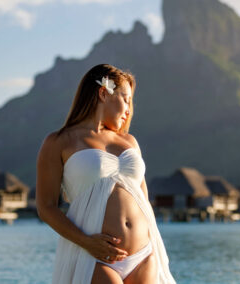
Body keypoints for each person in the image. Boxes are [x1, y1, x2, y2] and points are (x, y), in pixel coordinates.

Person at [36, 64, 176, 284]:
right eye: (126, 99)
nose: (130, 109)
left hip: (144, 254)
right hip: (94, 255)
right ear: (103, 93)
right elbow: (46, 207)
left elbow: (143, 200)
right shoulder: (59, 142)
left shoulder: (130, 142)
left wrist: (152, 247)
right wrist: (86, 242)